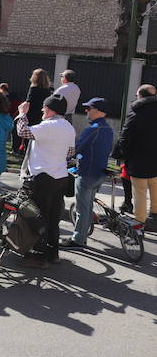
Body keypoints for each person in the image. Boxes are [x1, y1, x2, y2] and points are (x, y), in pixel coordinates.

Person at [15, 94, 76, 268]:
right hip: (60, 177)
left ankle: (39, 257)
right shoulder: (69, 127)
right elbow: (70, 152)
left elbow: (23, 132)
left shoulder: (48, 125)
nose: (42, 110)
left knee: (37, 217)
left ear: (50, 110)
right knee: (53, 217)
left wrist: (22, 114)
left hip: (43, 177)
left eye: (44, 108)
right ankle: (52, 253)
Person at [61, 98, 114, 249]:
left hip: (87, 173)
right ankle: (83, 234)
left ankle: (78, 240)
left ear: (97, 111)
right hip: (99, 173)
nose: (86, 111)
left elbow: (76, 149)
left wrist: (66, 158)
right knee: (88, 205)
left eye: (89, 108)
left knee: (82, 210)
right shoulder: (108, 129)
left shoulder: (93, 129)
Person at [113, 84, 157, 229]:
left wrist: (122, 154)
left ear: (140, 96)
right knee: (155, 187)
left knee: (140, 192)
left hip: (139, 160)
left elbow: (125, 138)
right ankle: (155, 215)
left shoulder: (135, 114)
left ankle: (139, 221)